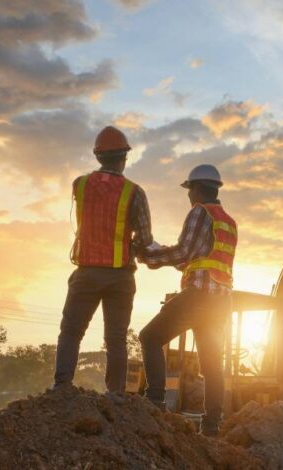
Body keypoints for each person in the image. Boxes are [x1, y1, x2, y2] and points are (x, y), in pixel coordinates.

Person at [52, 126, 153, 395]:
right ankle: (116, 394)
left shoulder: (80, 184)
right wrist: (132, 249)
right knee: (117, 338)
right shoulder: (135, 192)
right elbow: (144, 238)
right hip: (120, 275)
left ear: (98, 156)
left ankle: (62, 387)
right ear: (124, 158)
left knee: (71, 331)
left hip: (86, 272)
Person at [138, 164, 236, 437]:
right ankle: (212, 425)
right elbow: (200, 260)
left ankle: (155, 402)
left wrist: (149, 256)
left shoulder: (199, 212)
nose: (188, 196)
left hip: (199, 297)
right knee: (212, 363)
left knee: (149, 338)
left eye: (189, 189)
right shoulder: (228, 221)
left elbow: (183, 253)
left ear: (197, 189)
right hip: (221, 301)